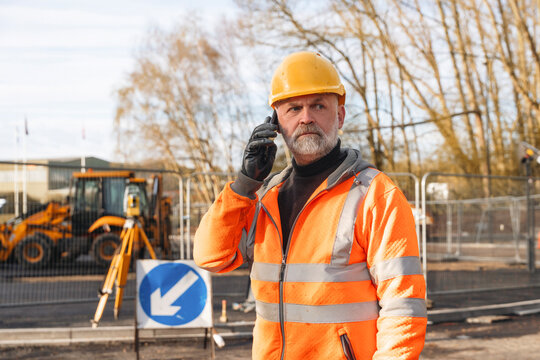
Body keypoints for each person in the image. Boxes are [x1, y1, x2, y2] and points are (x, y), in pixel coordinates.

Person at [194, 51, 427, 359]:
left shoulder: (375, 195)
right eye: (294, 108)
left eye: (319, 105)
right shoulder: (265, 197)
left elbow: (403, 307)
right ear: (276, 123)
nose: (306, 118)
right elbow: (211, 257)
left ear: (340, 116)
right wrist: (243, 185)